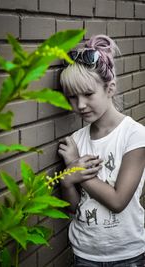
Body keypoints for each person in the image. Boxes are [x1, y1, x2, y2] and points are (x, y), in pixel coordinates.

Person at [58, 34, 145, 267]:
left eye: (88, 94)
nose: (80, 105)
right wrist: (66, 182)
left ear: (110, 88)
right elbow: (75, 209)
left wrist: (75, 167)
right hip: (84, 253)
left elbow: (118, 201)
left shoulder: (134, 135)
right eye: (72, 97)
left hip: (126, 255)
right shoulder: (77, 139)